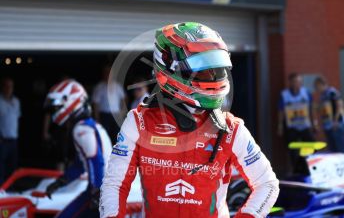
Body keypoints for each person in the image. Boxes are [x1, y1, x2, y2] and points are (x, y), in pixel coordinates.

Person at [100, 22, 279, 218]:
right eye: (202, 69)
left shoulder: (231, 129)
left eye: (216, 69)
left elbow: (267, 184)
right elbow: (114, 184)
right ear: (169, 67)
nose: (213, 77)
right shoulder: (139, 122)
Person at [44, 79, 112, 217]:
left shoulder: (81, 129)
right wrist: (61, 181)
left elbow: (96, 161)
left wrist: (96, 193)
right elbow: (82, 164)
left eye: (56, 108)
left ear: (70, 102)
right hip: (104, 189)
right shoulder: (89, 125)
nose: (54, 113)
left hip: (101, 191)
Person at [277, 73, 315, 169]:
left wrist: (314, 122)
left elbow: (312, 108)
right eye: (295, 81)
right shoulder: (284, 95)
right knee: (293, 149)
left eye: (299, 81)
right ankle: (296, 169)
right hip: (291, 126)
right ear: (290, 82)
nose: (297, 83)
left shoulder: (306, 92)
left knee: (310, 146)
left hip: (305, 125)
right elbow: (281, 110)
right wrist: (280, 125)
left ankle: (309, 167)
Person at [92, 66, 126, 139]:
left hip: (116, 115)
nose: (108, 74)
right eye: (106, 72)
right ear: (103, 74)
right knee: (104, 136)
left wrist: (122, 112)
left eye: (110, 73)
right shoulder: (99, 87)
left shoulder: (118, 86)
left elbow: (124, 99)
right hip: (104, 116)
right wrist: (97, 118)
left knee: (117, 136)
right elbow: (95, 104)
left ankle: (117, 150)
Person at [314, 76, 344, 152]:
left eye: (317, 86)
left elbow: (339, 106)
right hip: (327, 125)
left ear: (322, 84)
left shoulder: (332, 92)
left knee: (340, 148)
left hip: (336, 124)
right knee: (332, 149)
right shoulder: (322, 96)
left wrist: (336, 121)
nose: (316, 88)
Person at [0, 77, 21, 184]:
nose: (9, 88)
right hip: (2, 139)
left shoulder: (16, 101)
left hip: (13, 139)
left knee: (12, 166)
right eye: (7, 86)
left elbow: (16, 118)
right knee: (1, 166)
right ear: (3, 87)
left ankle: (10, 187)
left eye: (11, 86)